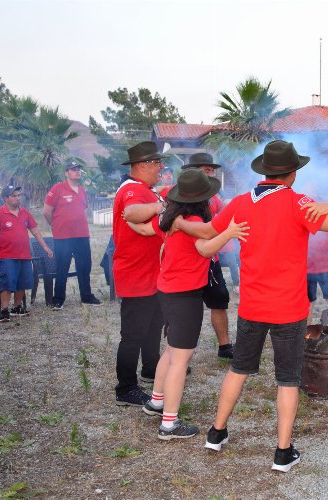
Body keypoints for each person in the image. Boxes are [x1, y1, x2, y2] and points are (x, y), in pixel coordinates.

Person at [175, 140, 328, 472]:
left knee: (238, 371)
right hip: (288, 310)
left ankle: (216, 433)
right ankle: (282, 452)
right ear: (292, 174)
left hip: (251, 305)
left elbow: (206, 233)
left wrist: (175, 221)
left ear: (265, 172)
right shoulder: (297, 202)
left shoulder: (239, 203)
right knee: (287, 380)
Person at [131, 169, 248, 439]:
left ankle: (157, 401)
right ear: (202, 199)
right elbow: (205, 249)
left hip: (168, 290)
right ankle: (169, 424)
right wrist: (230, 232)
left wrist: (130, 222)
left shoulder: (172, 218)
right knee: (180, 359)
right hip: (184, 294)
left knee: (172, 351)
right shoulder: (193, 220)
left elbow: (144, 228)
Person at [112, 141, 168, 406]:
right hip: (135, 272)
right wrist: (160, 207)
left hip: (150, 271)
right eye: (157, 163)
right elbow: (131, 213)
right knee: (133, 333)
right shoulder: (133, 190)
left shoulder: (146, 189)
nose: (161, 167)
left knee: (153, 325)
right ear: (143, 165)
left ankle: (150, 368)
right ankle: (125, 388)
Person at [179, 153, 234, 359]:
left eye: (211, 170)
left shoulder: (213, 196)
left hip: (211, 260)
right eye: (205, 170)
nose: (210, 173)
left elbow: (224, 209)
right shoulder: (179, 195)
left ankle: (225, 346)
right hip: (186, 261)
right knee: (184, 308)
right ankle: (177, 354)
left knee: (219, 300)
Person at [0, 185, 53, 322]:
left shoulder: (25, 213)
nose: (18, 198)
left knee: (22, 282)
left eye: (19, 195)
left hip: (24, 255)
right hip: (7, 256)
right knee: (7, 282)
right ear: (6, 198)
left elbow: (35, 231)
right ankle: (4, 310)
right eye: (14, 196)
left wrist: (45, 247)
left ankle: (17, 307)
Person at [42, 160, 100, 309]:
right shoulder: (58, 189)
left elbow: (83, 209)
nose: (77, 171)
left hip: (81, 235)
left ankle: (86, 297)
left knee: (84, 266)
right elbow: (46, 211)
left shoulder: (82, 190)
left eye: (78, 169)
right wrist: (55, 225)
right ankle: (58, 299)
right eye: (73, 169)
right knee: (62, 267)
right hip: (63, 237)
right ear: (66, 173)